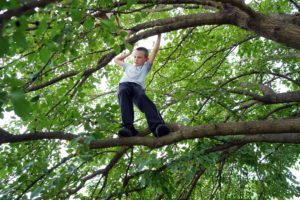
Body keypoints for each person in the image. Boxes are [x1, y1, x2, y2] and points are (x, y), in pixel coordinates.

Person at [114, 32, 170, 137]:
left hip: (137, 87)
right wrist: (129, 53)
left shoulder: (146, 67)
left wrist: (159, 35)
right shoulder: (128, 66)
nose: (136, 59)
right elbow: (116, 60)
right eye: (135, 57)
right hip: (124, 85)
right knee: (122, 92)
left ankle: (158, 126)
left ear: (146, 59)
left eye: (139, 57)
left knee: (142, 97)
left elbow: (155, 51)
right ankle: (128, 127)